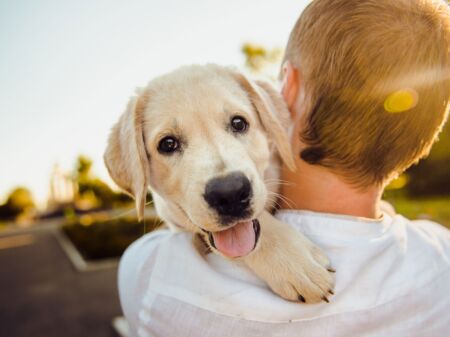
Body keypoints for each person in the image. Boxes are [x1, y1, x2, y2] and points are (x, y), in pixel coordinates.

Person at [118, 0, 450, 336]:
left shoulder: (150, 274)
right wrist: (265, 238)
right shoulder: (440, 257)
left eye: (237, 123)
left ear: (286, 90)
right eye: (169, 144)